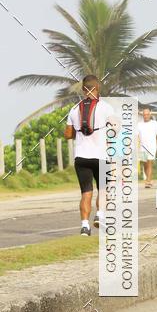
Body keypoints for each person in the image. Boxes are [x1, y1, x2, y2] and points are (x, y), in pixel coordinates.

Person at [64, 75, 115, 235]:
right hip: (100, 156)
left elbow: (67, 134)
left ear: (83, 89)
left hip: (81, 157)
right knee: (104, 189)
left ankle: (85, 226)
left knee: (86, 192)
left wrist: (78, 133)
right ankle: (99, 215)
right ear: (97, 88)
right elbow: (114, 130)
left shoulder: (74, 109)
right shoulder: (106, 107)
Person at [138, 108, 157, 188]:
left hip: (152, 147)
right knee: (145, 164)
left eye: (147, 114)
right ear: (143, 115)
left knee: (149, 163)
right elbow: (136, 136)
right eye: (144, 114)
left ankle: (148, 181)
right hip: (142, 148)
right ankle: (149, 179)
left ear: (150, 115)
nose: (146, 116)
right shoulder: (139, 124)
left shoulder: (154, 123)